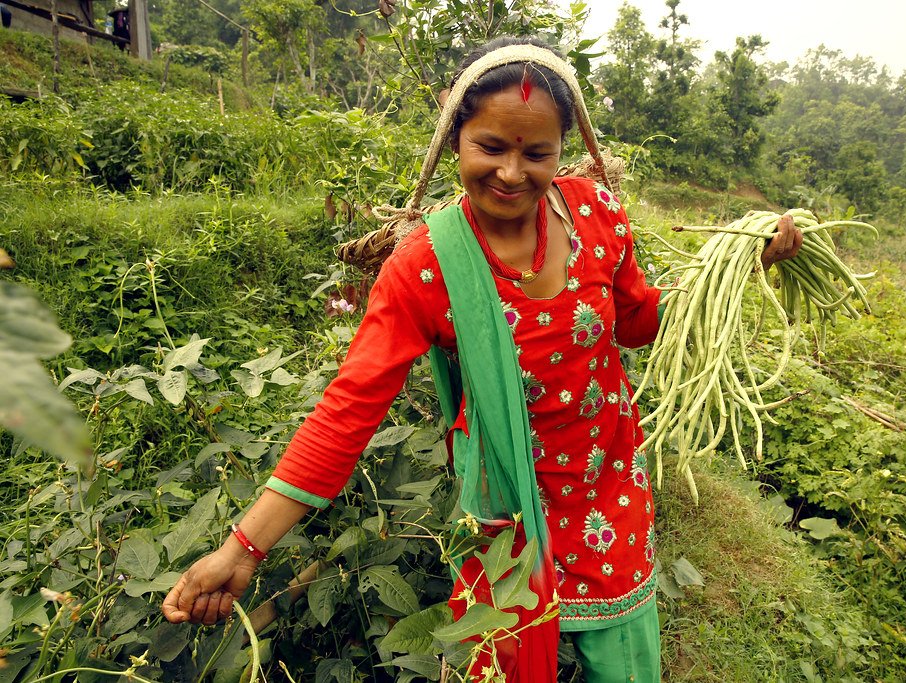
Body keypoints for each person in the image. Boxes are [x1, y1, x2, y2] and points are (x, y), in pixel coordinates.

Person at [162, 36, 802, 682]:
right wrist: (243, 547)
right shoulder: (427, 266)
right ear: (454, 129)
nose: (512, 172)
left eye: (537, 152)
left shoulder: (596, 214)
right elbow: (347, 410)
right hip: (505, 528)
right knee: (504, 665)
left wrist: (742, 264)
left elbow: (636, 322)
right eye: (491, 146)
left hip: (608, 502)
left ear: (564, 147)